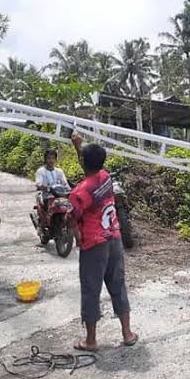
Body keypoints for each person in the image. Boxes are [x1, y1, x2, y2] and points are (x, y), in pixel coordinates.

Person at [68, 132, 137, 352]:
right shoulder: (106, 177)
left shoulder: (80, 192)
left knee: (91, 289)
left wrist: (76, 235)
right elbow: (89, 169)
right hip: (113, 238)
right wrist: (79, 146)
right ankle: (127, 334)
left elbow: (73, 216)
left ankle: (91, 340)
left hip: (94, 244)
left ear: (84, 163)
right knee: (117, 284)